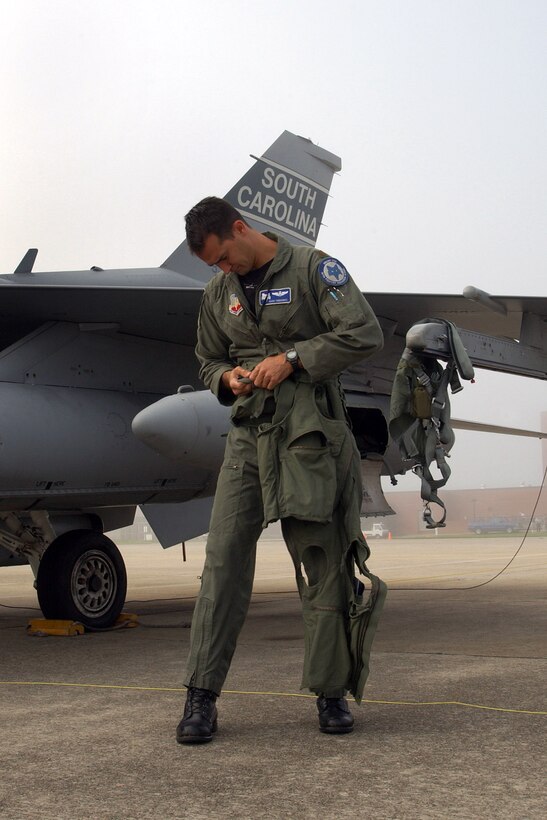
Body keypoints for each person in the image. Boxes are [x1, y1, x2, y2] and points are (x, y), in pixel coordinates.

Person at [177, 197, 385, 744]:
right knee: (221, 561)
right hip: (248, 441)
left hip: (309, 438)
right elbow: (208, 359)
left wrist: (291, 360)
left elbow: (363, 332)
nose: (224, 271)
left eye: (225, 257)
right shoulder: (217, 294)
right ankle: (201, 696)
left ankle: (331, 694)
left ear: (241, 230)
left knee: (321, 559)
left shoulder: (316, 269)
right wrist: (229, 379)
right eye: (214, 267)